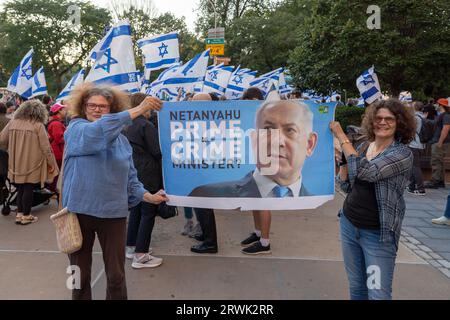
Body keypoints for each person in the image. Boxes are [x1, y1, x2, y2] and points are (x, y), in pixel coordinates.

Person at [62, 84, 168, 300]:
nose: (97, 109)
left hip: (113, 214)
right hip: (78, 213)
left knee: (116, 275)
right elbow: (97, 132)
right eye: (92, 105)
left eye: (104, 106)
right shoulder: (76, 129)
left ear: (112, 109)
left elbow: (131, 180)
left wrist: (149, 196)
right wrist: (139, 110)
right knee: (78, 275)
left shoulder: (122, 141)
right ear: (83, 107)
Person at [330, 98, 414, 300]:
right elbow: (347, 185)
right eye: (378, 118)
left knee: (377, 293)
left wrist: (342, 137)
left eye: (389, 119)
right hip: (349, 226)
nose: (382, 122)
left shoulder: (402, 154)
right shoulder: (363, 146)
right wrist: (343, 160)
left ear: (399, 123)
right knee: (357, 288)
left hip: (378, 236)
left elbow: (369, 172)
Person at [189, 99, 318, 198]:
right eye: (268, 129)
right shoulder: (206, 194)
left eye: (290, 130)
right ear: (253, 139)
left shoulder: (317, 203)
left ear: (310, 144)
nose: (276, 141)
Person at [0, 99, 58, 225]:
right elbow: (46, 148)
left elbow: (2, 140)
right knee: (28, 188)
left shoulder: (13, 122)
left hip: (15, 163)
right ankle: (26, 215)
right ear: (39, 112)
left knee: (21, 188)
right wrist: (52, 163)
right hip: (33, 163)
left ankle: (19, 214)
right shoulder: (38, 125)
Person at [123, 93, 164, 269]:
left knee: (136, 211)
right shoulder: (145, 125)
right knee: (148, 213)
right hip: (148, 173)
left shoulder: (125, 124)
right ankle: (141, 254)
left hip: (131, 172)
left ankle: (132, 246)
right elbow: (157, 151)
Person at [240, 87, 272, 255]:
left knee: (264, 202)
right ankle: (258, 233)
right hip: (252, 162)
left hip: (264, 162)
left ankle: (265, 242)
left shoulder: (267, 116)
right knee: (254, 199)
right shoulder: (252, 116)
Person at [424, 98, 450, 189]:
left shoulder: (446, 115)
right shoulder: (443, 115)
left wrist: (440, 142)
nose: (435, 105)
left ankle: (435, 181)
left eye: (437, 104)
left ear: (441, 105)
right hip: (440, 141)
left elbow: (446, 128)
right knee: (440, 162)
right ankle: (440, 181)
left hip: (440, 142)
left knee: (436, 161)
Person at [407, 101, 426, 195]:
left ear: (415, 107)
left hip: (414, 144)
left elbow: (410, 131)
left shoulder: (415, 118)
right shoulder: (423, 116)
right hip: (421, 145)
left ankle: (421, 189)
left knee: (415, 167)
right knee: (415, 166)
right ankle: (411, 187)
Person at [47, 103, 67, 193]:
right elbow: (59, 139)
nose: (65, 111)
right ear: (58, 111)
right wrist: (69, 136)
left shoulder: (56, 122)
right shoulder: (56, 124)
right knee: (57, 175)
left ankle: (53, 190)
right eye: (63, 110)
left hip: (56, 151)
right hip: (57, 153)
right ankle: (55, 191)